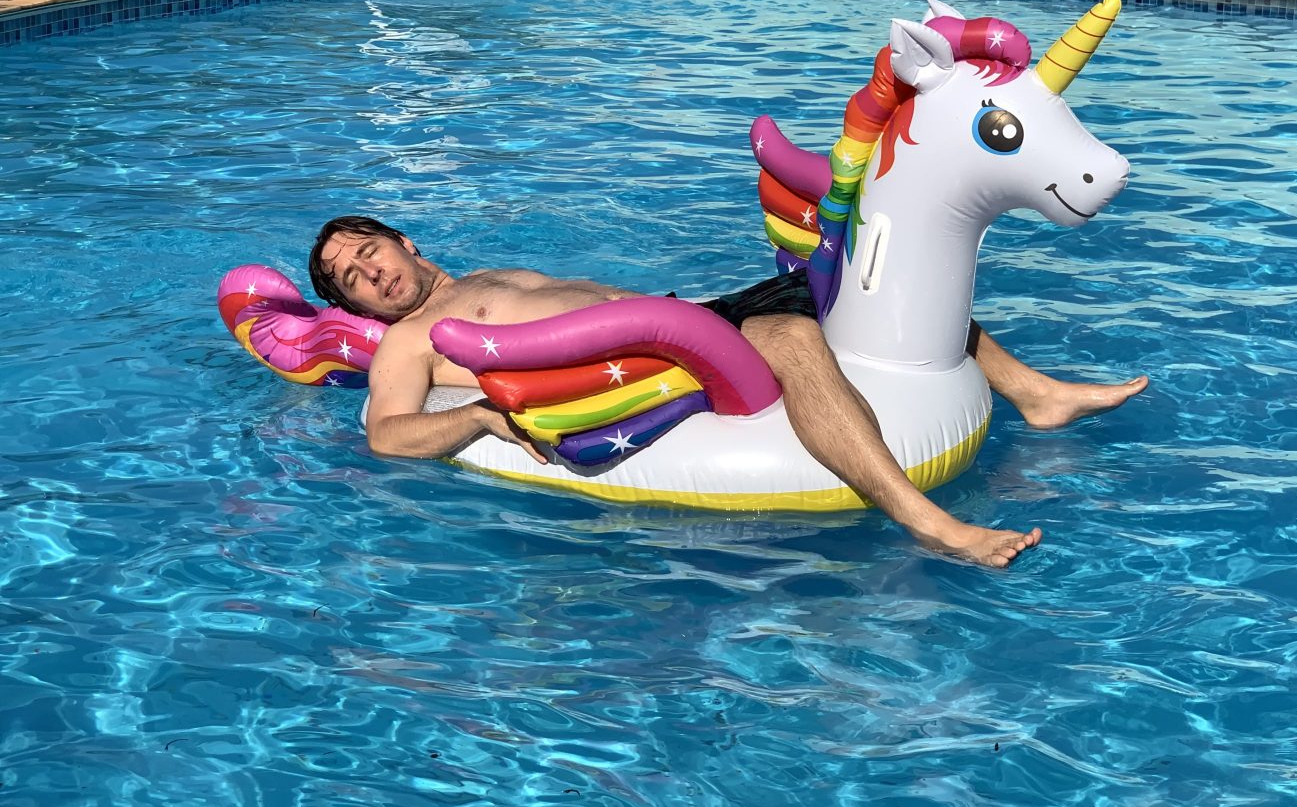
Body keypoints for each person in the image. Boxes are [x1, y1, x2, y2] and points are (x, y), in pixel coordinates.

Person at [309, 215, 1148, 568]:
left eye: (367, 252)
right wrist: (483, 417)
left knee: (876, 295)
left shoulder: (487, 274)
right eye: (350, 280)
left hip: (689, 319)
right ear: (356, 309)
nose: (369, 274)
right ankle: (930, 523)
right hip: (652, 364)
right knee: (791, 336)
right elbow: (387, 434)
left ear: (404, 241)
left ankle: (1036, 393)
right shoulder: (411, 341)